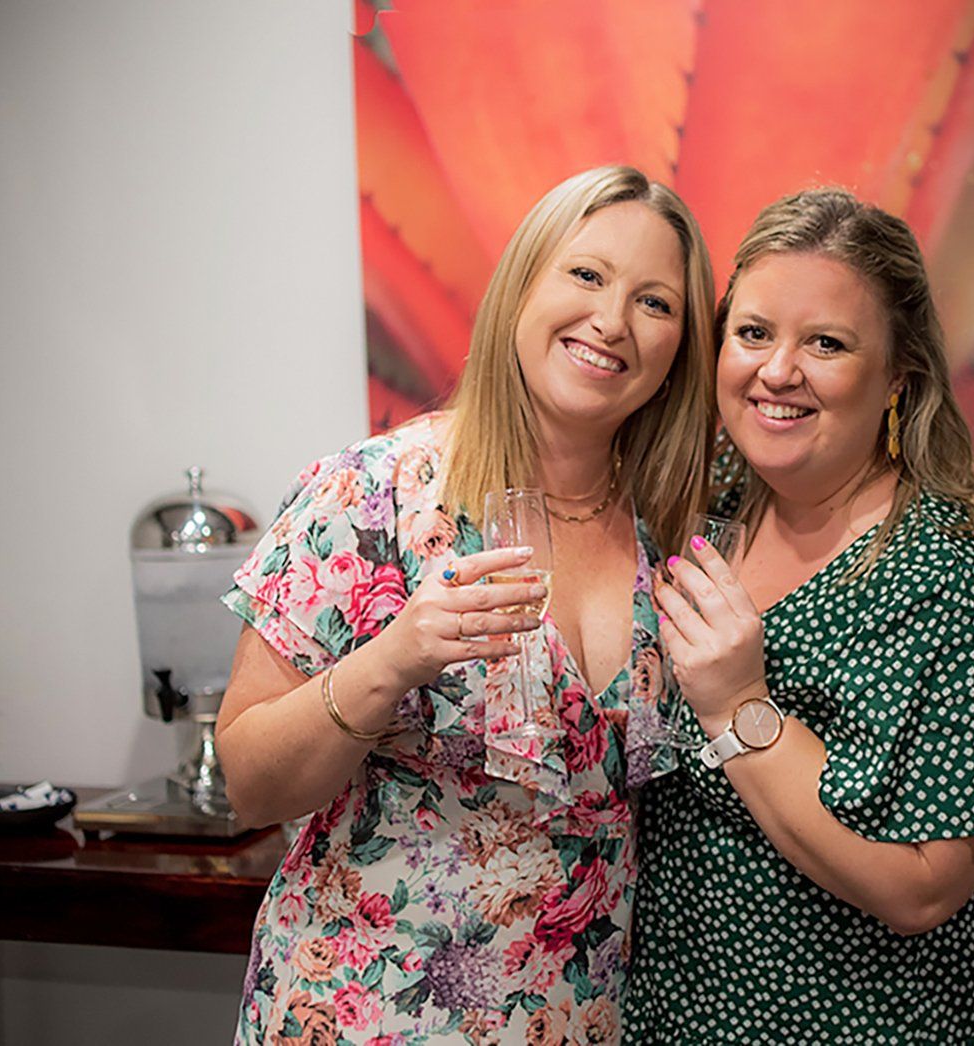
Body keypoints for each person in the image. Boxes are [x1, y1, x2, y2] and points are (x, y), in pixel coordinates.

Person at [215, 165, 715, 1045]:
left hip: (578, 1015)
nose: (611, 320)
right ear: (522, 284)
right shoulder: (371, 495)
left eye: (655, 302)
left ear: (682, 345)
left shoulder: (672, 528)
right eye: (587, 275)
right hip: (368, 1010)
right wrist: (391, 661)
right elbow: (249, 783)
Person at [628, 189, 974, 1043]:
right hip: (683, 1016)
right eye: (753, 332)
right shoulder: (709, 505)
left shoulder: (955, 582)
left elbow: (922, 888)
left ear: (897, 380)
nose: (777, 370)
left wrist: (737, 707)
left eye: (825, 343)